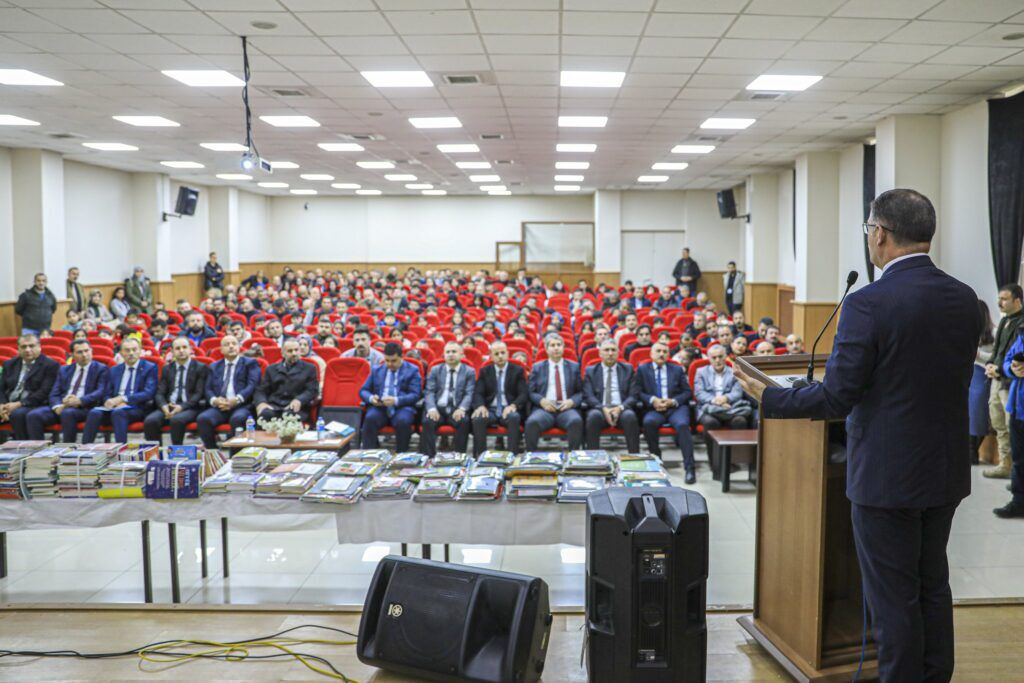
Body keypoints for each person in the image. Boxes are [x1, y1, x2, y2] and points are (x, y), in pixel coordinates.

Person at [735, 188, 980, 682]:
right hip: (945, 469)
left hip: (886, 478)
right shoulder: (966, 299)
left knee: (893, 598)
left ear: (880, 234)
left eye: (868, 230)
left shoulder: (868, 303)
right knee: (932, 585)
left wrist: (770, 399)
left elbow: (836, 397)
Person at [633, 341, 696, 483]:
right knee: (648, 422)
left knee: (683, 425)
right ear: (651, 354)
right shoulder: (642, 369)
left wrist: (672, 401)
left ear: (669, 354)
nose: (661, 354)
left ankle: (689, 467)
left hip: (675, 408)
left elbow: (687, 392)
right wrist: (653, 400)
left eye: (665, 351)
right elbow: (637, 391)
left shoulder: (677, 369)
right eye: (658, 351)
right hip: (654, 408)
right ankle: (656, 460)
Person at [25, 339, 110, 442]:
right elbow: (54, 392)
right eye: (79, 352)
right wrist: (57, 406)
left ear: (91, 351)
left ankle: (68, 447)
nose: (84, 355)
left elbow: (100, 391)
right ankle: (39, 449)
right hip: (63, 406)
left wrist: (79, 401)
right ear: (72, 355)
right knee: (33, 415)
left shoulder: (101, 369)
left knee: (68, 413)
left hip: (85, 408)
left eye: (86, 351)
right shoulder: (64, 370)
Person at [81, 337, 158, 443]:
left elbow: (148, 393)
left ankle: (121, 449)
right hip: (114, 408)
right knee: (94, 413)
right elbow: (107, 393)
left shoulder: (149, 368)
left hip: (137, 408)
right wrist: (109, 401)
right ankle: (85, 448)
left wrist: (123, 399)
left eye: (134, 349)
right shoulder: (114, 370)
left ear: (140, 351)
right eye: (127, 350)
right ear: (121, 353)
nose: (131, 353)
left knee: (119, 413)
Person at [984, 284, 1023, 479]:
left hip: (1011, 382)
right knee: (998, 423)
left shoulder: (1021, 323)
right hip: (997, 379)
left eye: (1004, 299)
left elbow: (1016, 355)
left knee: (1011, 426)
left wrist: (999, 369)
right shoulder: (1004, 321)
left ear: (1017, 300)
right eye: (999, 298)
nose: (1000, 302)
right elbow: (997, 350)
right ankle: (1005, 464)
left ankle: (1016, 470)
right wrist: (990, 365)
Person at [195, 335, 261, 448]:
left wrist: (236, 400)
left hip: (242, 405)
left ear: (239, 347)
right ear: (221, 350)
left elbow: (252, 385)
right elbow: (208, 388)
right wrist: (215, 400)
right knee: (203, 419)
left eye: (234, 344)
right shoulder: (214, 366)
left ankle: (234, 455)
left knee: (237, 419)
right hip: (220, 406)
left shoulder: (250, 363)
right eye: (227, 345)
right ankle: (213, 452)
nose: (231, 346)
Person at [143, 337, 209, 445]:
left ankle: (176, 451)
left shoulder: (200, 368)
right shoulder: (167, 368)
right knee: (150, 421)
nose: (181, 350)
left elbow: (199, 394)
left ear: (190, 350)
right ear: (172, 352)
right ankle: (156, 452)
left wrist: (181, 407)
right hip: (169, 406)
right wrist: (163, 406)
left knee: (176, 420)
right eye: (177, 348)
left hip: (190, 407)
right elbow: (160, 393)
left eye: (184, 347)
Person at [359, 342, 422, 452]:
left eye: (393, 361)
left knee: (403, 421)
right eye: (387, 360)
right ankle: (369, 454)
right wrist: (371, 398)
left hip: (402, 406)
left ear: (401, 357)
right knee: (370, 418)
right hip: (380, 407)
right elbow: (363, 391)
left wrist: (396, 400)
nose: (389, 364)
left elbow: (415, 395)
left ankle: (401, 455)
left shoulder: (412, 370)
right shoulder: (376, 370)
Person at [524, 335, 584, 450]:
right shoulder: (537, 367)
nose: (556, 348)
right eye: (552, 345)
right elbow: (531, 392)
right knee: (532, 422)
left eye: (559, 345)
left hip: (566, 409)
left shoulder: (574, 367)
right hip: (544, 409)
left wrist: (572, 401)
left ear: (563, 347)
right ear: (546, 349)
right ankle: (531, 456)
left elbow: (581, 392)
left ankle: (574, 456)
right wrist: (541, 401)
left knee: (576, 421)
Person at [582, 339, 640, 452]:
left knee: (630, 416)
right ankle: (592, 458)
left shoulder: (628, 369)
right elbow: (588, 396)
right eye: (606, 350)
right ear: (600, 353)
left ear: (618, 353)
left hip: (622, 409)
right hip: (600, 409)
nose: (610, 353)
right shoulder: (591, 371)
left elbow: (634, 395)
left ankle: (634, 456)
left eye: (613, 350)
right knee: (593, 416)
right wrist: (603, 409)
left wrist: (620, 408)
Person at [471, 341, 528, 456]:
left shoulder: (517, 370)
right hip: (490, 410)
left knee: (514, 417)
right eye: (496, 354)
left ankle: (512, 455)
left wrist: (513, 405)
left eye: (503, 353)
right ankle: (481, 456)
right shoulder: (485, 371)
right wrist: (480, 406)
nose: (500, 356)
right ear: (491, 356)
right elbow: (478, 393)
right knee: (478, 418)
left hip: (509, 408)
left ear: (508, 353)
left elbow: (523, 394)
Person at [0, 334, 60, 440]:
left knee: (18, 414)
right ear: (18, 348)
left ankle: (24, 446)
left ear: (39, 347)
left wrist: (19, 404)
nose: (27, 350)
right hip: (8, 404)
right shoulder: (9, 364)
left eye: (31, 346)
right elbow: (1, 388)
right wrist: (2, 405)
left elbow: (44, 392)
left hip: (34, 404)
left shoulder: (50, 365)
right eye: (23, 347)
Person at [421, 342, 476, 455]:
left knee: (464, 421)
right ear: (444, 355)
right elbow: (429, 391)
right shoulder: (435, 370)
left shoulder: (469, 371)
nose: (451, 354)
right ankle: (429, 457)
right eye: (448, 352)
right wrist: (432, 409)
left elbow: (469, 393)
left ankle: (459, 457)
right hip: (438, 409)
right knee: (428, 420)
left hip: (457, 408)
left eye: (454, 351)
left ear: (462, 355)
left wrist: (462, 409)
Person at [254, 338, 318, 424]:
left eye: (296, 350)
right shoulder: (271, 369)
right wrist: (261, 403)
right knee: (265, 415)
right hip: (274, 406)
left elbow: (311, 390)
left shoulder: (309, 368)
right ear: (282, 353)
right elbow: (261, 390)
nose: (294, 353)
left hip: (296, 407)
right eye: (290, 351)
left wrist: (299, 400)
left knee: (289, 417)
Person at [694, 344, 752, 430]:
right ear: (709, 359)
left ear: (725, 357)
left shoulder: (734, 372)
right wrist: (716, 401)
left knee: (740, 421)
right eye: (714, 358)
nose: (717, 360)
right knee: (711, 422)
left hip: (731, 405)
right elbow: (699, 393)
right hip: (709, 406)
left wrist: (726, 398)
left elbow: (737, 392)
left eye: (720, 356)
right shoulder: (701, 372)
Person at [966, 300, 995, 465]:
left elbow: (997, 355)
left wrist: (979, 355)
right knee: (970, 413)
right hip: (969, 374)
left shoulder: (994, 332)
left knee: (979, 414)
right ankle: (971, 452)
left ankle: (973, 450)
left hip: (983, 374)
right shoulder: (969, 330)